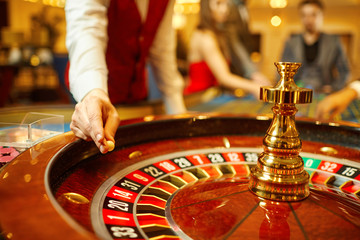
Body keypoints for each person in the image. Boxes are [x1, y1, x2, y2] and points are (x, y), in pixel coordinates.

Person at [65, 0, 186, 154]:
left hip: (136, 97)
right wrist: (93, 92)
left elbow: (162, 48)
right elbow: (86, 30)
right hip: (90, 95)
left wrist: (179, 115)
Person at [184, 0, 270, 96]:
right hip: (198, 98)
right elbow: (224, 78)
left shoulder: (217, 35)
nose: (225, 9)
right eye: (218, 3)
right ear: (205, 6)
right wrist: (255, 87)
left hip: (211, 95)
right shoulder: (205, 37)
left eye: (226, 4)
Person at [281, 0, 351, 93]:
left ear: (322, 15)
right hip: (296, 94)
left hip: (324, 94)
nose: (308, 19)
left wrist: (334, 88)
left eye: (313, 15)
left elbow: (345, 71)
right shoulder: (291, 43)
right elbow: (282, 73)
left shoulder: (334, 41)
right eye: (304, 15)